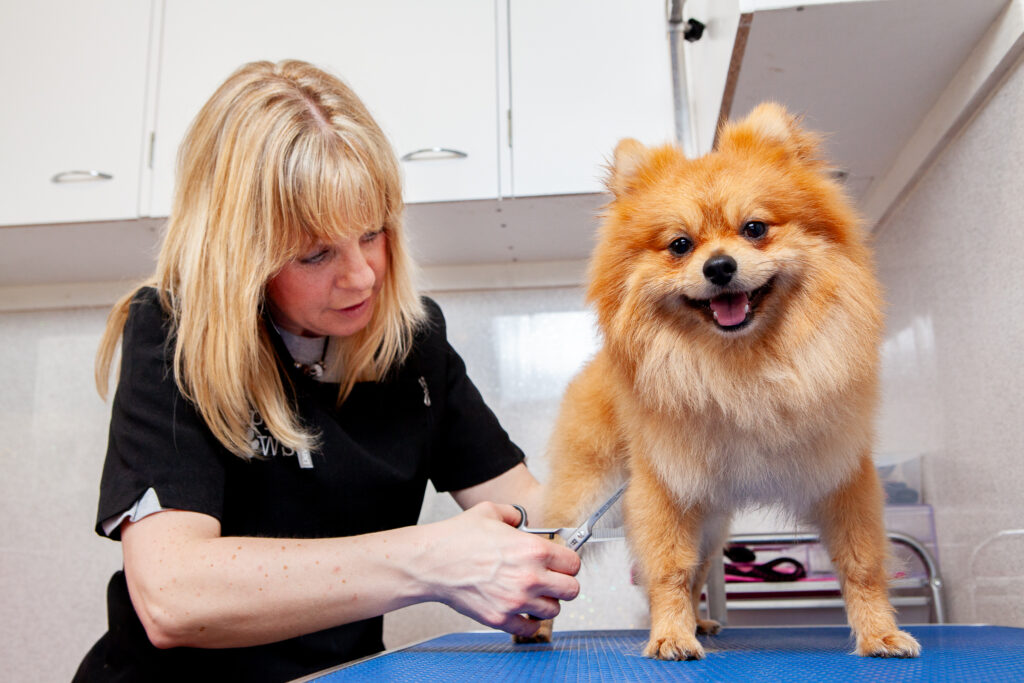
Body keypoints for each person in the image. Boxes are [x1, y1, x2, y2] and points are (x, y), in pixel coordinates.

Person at [73, 59, 580, 682]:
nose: (362, 275)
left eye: (372, 232)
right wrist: (433, 561)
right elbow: (173, 596)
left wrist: (666, 488)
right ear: (241, 256)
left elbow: (538, 510)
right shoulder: (173, 332)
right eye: (316, 253)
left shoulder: (414, 342)